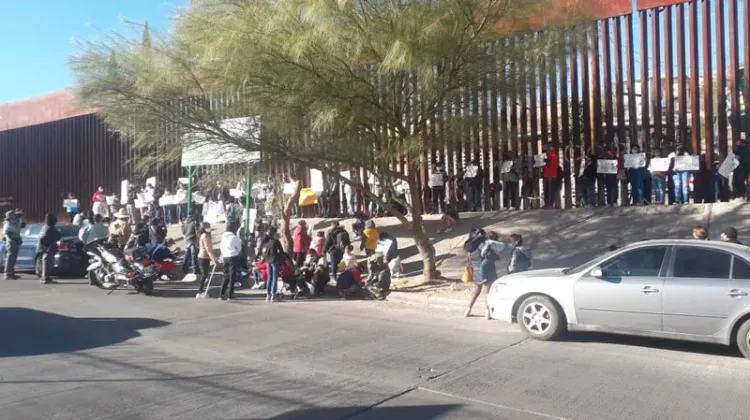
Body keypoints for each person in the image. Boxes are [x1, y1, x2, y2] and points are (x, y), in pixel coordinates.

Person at [468, 231, 506, 319]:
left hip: (477, 270)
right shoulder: (487, 246)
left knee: (476, 290)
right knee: (487, 291)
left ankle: (468, 309)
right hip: (485, 270)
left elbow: (470, 258)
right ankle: (487, 312)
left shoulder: (473, 246)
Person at [219, 222, 242, 301]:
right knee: (232, 276)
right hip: (233, 257)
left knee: (226, 275)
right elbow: (239, 248)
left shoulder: (223, 236)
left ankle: (221, 294)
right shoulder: (234, 237)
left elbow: (221, 246)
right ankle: (230, 295)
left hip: (225, 257)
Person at [37, 213, 62, 284]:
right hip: (47, 248)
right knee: (48, 263)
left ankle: (44, 277)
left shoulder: (44, 227)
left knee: (45, 263)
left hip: (43, 248)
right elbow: (57, 236)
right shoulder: (50, 228)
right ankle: (45, 278)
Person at [261, 226, 285, 302]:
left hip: (268, 261)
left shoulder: (265, 241)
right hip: (275, 260)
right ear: (274, 233)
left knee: (269, 278)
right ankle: (273, 295)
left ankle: (268, 295)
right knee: (275, 278)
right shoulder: (276, 241)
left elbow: (262, 251)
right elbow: (281, 251)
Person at [196, 222, 219, 298]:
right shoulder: (205, 236)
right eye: (208, 227)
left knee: (205, 275)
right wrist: (214, 258)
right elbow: (208, 249)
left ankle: (201, 291)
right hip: (204, 257)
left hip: (204, 257)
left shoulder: (204, 235)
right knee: (204, 275)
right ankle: (200, 292)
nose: (209, 228)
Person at [3, 210, 23, 280]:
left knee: (13, 258)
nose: (16, 217)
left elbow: (21, 226)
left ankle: (12, 273)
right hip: (11, 243)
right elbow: (15, 231)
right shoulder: (8, 224)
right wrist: (18, 222)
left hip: (15, 242)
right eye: (15, 215)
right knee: (10, 258)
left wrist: (19, 220)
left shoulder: (14, 223)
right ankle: (8, 274)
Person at [181, 210, 201, 276]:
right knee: (194, 256)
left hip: (187, 240)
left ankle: (184, 269)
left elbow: (183, 232)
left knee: (186, 255)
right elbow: (197, 231)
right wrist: (197, 241)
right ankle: (195, 270)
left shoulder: (184, 222)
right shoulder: (194, 222)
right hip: (193, 240)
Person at [541, 144, 559, 209]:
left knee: (551, 190)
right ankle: (546, 204)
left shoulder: (553, 154)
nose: (545, 149)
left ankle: (550, 204)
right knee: (546, 190)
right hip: (546, 174)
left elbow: (554, 164)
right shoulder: (545, 155)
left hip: (551, 175)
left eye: (546, 148)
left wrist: (547, 161)